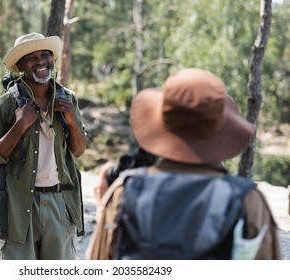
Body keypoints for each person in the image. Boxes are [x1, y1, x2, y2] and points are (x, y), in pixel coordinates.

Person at [88, 68, 281, 259]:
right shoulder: (249, 201)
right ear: (220, 130)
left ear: (161, 125)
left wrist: (102, 207)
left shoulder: (124, 191)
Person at [0, 32, 89, 260]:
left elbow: (78, 150)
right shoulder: (5, 105)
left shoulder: (68, 99)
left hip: (60, 203)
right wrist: (19, 126)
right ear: (20, 66)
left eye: (45, 55)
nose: (40, 61)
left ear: (53, 59)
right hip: (18, 206)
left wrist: (71, 120)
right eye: (32, 57)